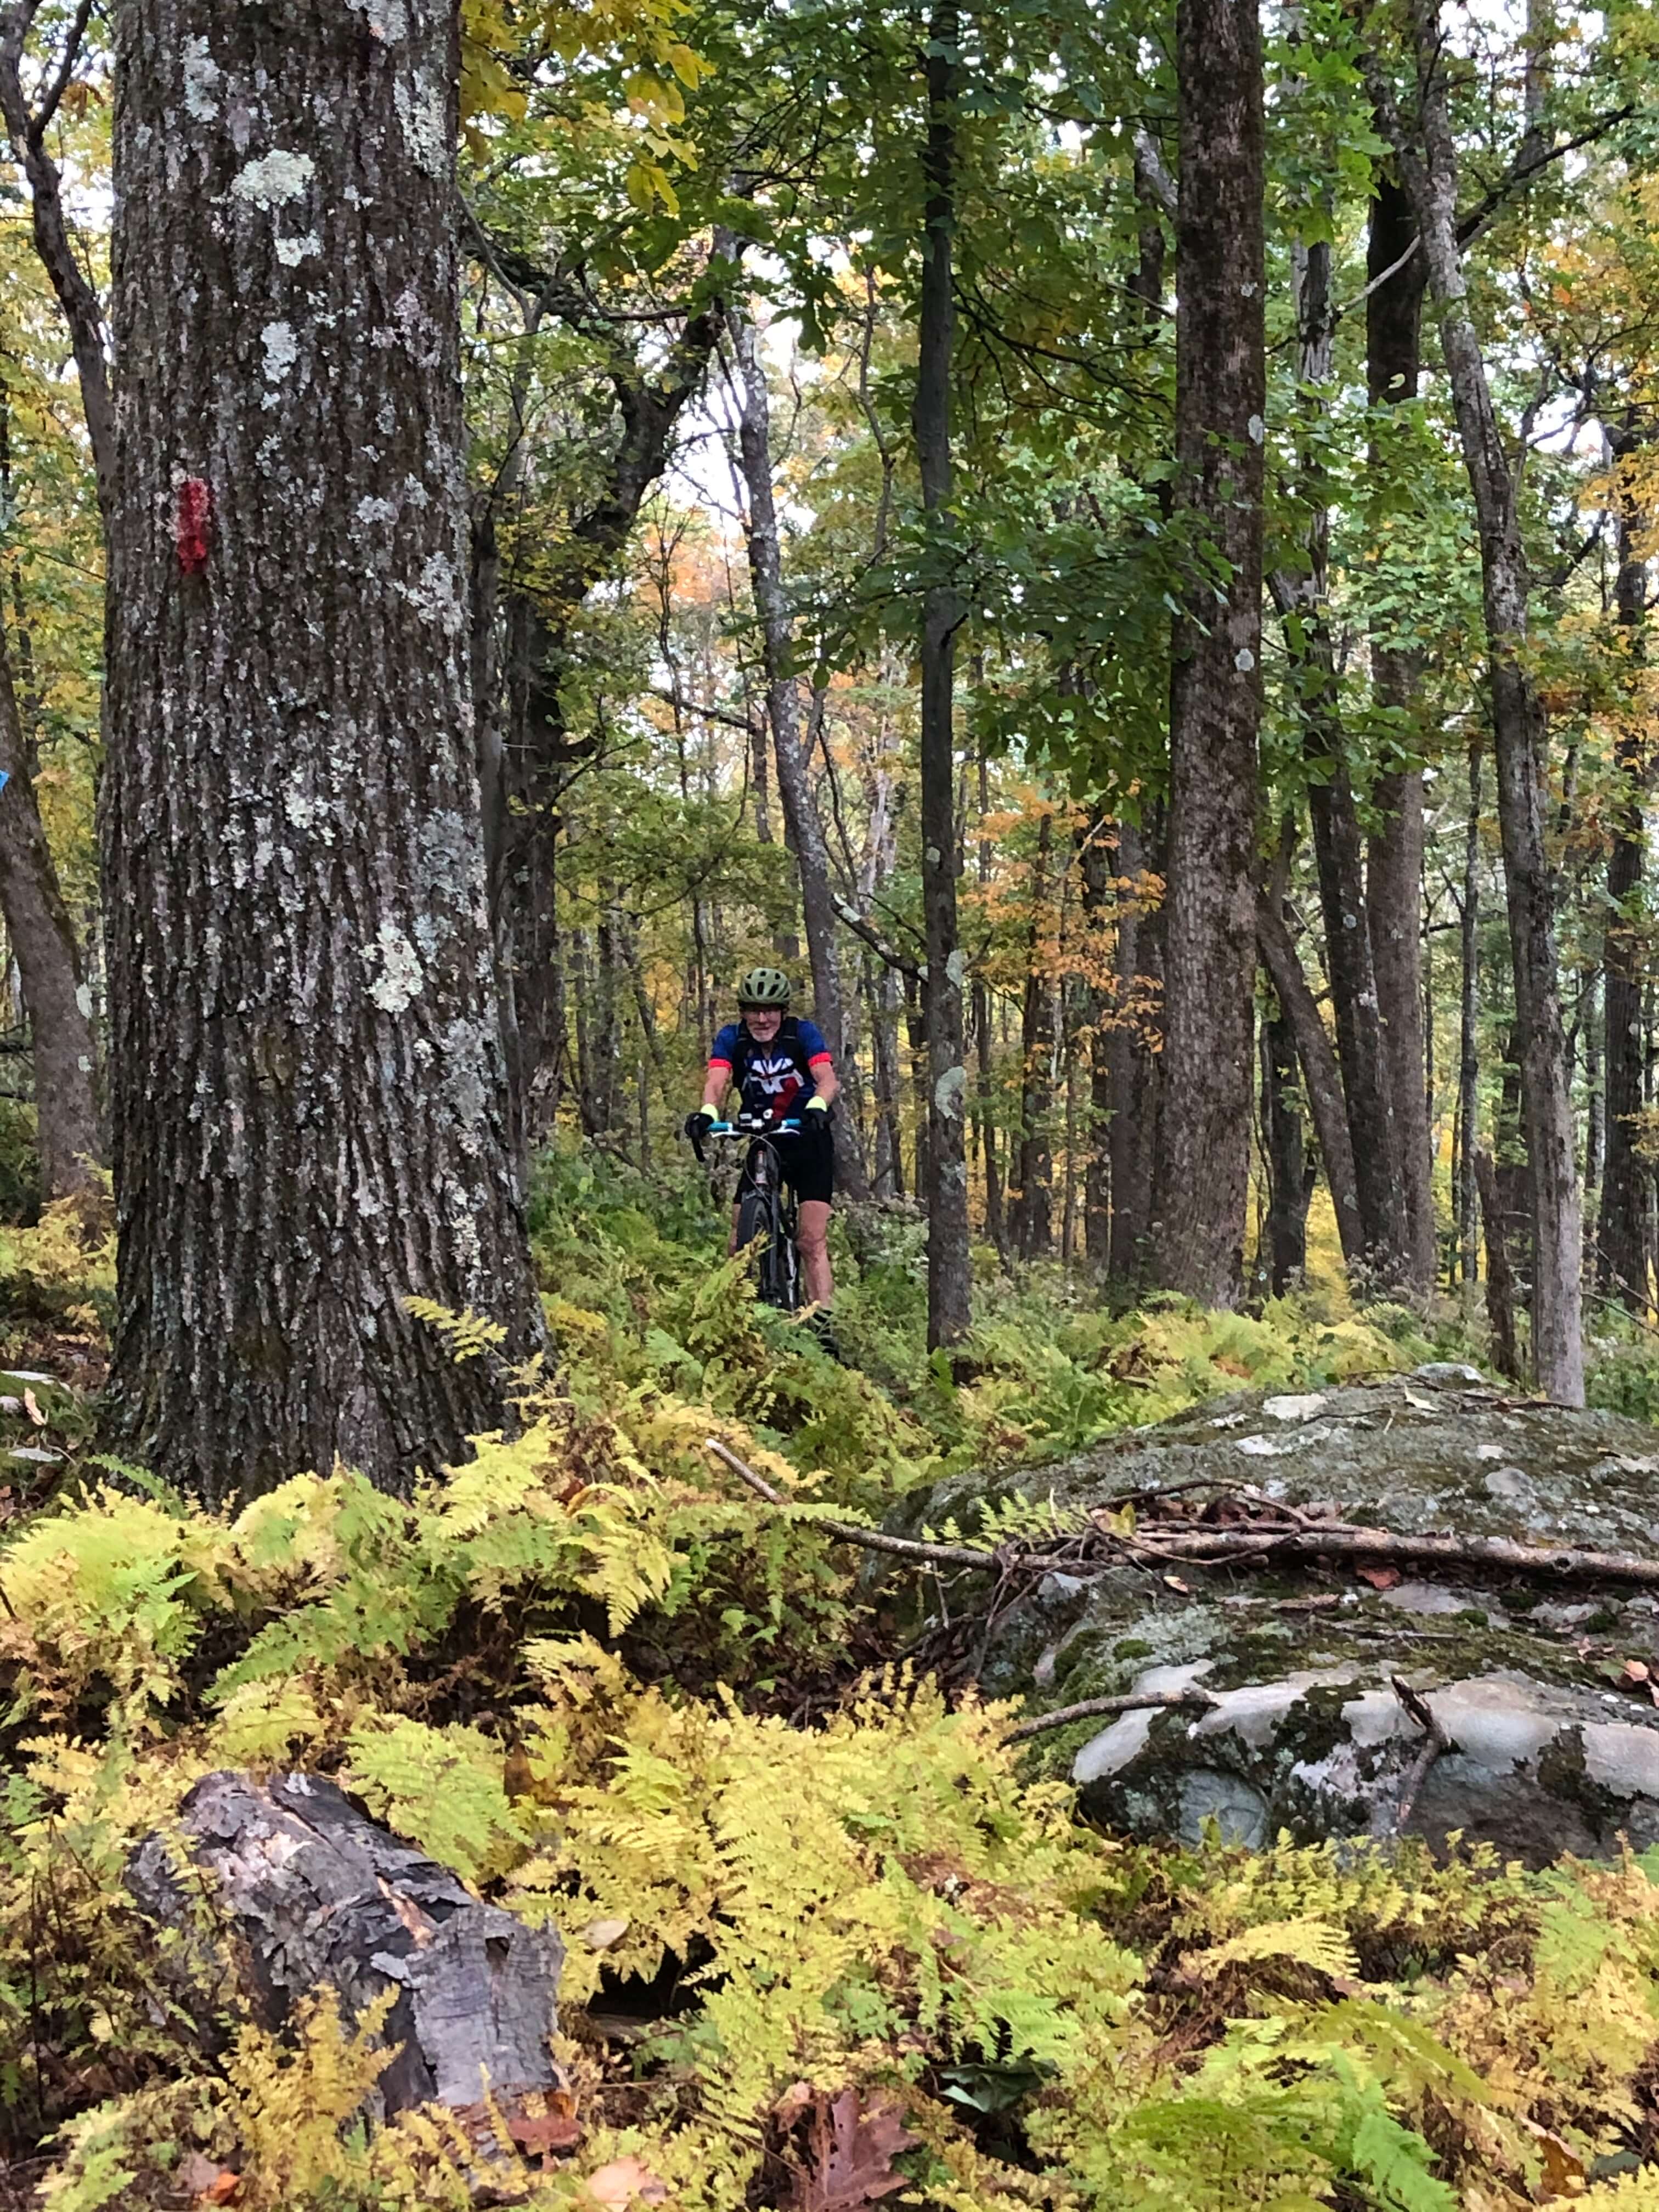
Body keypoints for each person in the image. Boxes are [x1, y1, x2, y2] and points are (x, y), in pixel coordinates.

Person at [685, 966, 839, 1329]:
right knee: (739, 1237)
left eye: (770, 1010)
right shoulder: (732, 1039)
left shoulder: (803, 1034)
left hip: (806, 1136)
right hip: (763, 1138)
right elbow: (717, 1081)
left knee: (811, 1240)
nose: (762, 1018)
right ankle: (733, 1318)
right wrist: (708, 1112)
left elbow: (827, 1078)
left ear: (782, 1011)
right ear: (743, 1011)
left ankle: (823, 1327)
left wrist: (818, 1105)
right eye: (753, 1009)